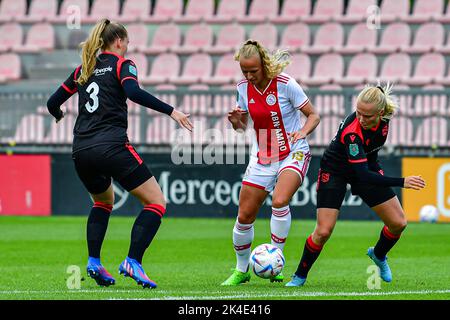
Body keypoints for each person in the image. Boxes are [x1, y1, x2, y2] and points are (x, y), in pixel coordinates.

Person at [46, 19, 192, 289]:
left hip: (81, 149)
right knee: (156, 203)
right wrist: (172, 111)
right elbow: (133, 92)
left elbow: (52, 102)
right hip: (111, 146)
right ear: (118, 41)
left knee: (103, 201)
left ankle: (93, 261)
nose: (127, 46)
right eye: (127, 42)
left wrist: (58, 115)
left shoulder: (83, 68)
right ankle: (132, 261)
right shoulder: (123, 64)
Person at [285, 83, 426, 287]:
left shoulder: (385, 118)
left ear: (381, 112)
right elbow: (364, 175)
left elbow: (370, 155)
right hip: (335, 171)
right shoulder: (353, 133)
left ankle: (378, 255)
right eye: (358, 113)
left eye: (367, 116)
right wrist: (402, 182)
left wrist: (376, 167)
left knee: (398, 223)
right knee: (323, 231)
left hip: (365, 167)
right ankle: (299, 276)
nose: (361, 119)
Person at [221, 39, 320, 286]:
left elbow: (314, 115)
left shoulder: (286, 84)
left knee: (279, 200)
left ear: (264, 65)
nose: (249, 75)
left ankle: (276, 262)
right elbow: (242, 126)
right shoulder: (243, 87)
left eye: (253, 70)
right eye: (244, 71)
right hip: (263, 155)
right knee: (244, 215)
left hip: (293, 151)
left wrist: (302, 132)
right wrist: (235, 121)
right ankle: (241, 270)